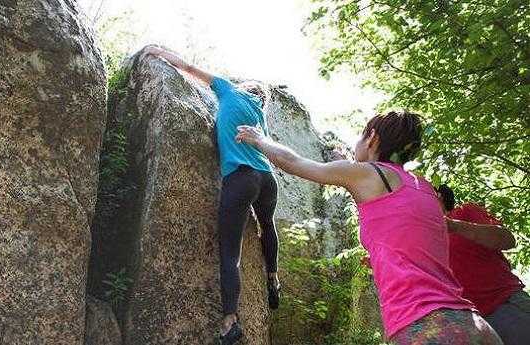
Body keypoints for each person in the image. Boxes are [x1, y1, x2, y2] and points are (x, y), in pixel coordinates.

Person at [236, 110, 502, 344]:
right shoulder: (425, 189)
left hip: (425, 328)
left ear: (372, 138)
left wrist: (260, 139)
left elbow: (295, 163)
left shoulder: (367, 173)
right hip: (473, 325)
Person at [145, 46, 281, 345]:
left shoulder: (228, 89)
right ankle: (273, 277)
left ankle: (230, 321)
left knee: (230, 254)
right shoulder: (260, 114)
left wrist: (158, 51)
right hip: (267, 179)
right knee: (267, 225)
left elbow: (189, 67)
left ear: (244, 87)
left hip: (240, 178)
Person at [437, 184, 530, 345]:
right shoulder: (423, 237)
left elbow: (507, 239)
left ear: (439, 196)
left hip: (505, 306)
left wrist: (455, 226)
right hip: (470, 326)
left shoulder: (465, 211)